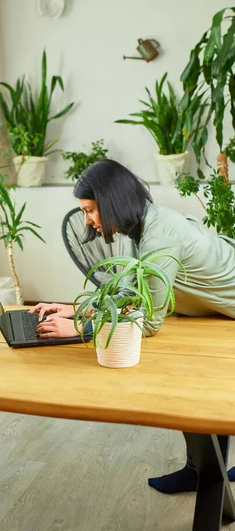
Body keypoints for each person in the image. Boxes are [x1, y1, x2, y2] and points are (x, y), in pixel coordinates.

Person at [30, 159, 235, 494]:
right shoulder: (137, 226)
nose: (88, 220)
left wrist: (82, 329)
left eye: (90, 210)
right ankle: (199, 470)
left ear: (111, 202)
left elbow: (150, 321)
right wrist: (75, 308)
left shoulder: (160, 238)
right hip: (213, 310)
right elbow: (129, 291)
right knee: (191, 381)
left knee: (205, 384)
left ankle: (206, 475)